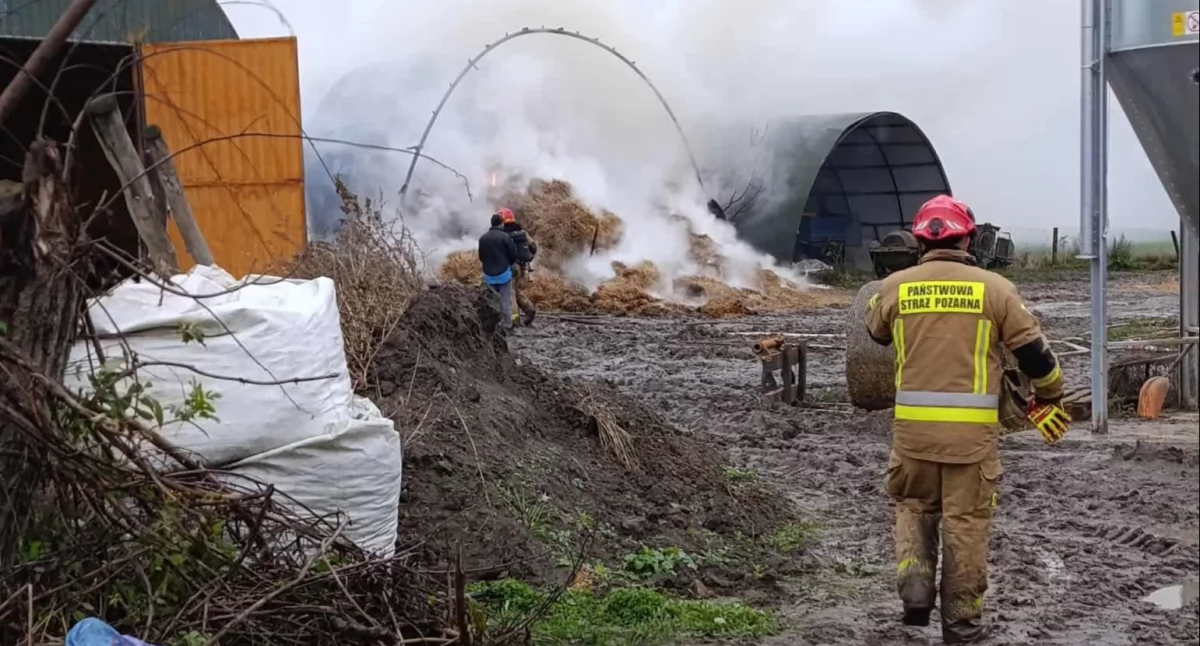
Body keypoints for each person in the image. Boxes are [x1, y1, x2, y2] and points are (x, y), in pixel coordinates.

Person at [864, 195, 1070, 645]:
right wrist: (1051, 397)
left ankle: (916, 592)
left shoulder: (896, 287)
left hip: (912, 440)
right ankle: (961, 625)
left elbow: (874, 331)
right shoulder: (995, 290)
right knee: (966, 526)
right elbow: (1036, 356)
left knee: (913, 509)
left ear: (919, 241)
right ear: (969, 238)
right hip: (971, 447)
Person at [478, 212, 520, 332]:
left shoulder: (483, 238)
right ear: (501, 224)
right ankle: (507, 325)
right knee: (505, 300)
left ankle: (492, 327)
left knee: (491, 301)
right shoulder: (505, 237)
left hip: (488, 275)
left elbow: (481, 257)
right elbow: (514, 254)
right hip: (504, 274)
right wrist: (509, 264)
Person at [498, 208, 538, 327]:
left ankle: (514, 320)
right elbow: (533, 247)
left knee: (510, 293)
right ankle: (530, 309)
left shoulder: (503, 234)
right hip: (521, 267)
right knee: (517, 291)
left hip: (510, 267)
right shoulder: (523, 232)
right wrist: (529, 259)